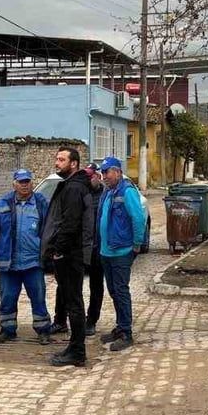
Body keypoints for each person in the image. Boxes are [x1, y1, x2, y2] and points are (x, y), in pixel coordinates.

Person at [40, 147, 95, 367]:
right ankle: (74, 347)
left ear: (74, 163)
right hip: (72, 252)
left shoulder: (74, 188)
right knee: (74, 302)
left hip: (71, 254)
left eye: (62, 160)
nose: (57, 163)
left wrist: (58, 250)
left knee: (74, 303)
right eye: (56, 159)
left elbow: (70, 223)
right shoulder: (74, 185)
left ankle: (77, 352)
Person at [0, 169, 53, 345]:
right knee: (7, 297)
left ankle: (43, 330)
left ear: (31, 183)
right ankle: (7, 330)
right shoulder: (2, 203)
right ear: (14, 184)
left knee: (38, 296)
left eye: (27, 181)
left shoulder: (41, 203)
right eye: (21, 182)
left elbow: (49, 229)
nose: (24, 185)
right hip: (9, 262)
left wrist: (49, 253)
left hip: (33, 262)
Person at [96, 156, 147, 352]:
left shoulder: (127, 191)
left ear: (117, 172)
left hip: (121, 250)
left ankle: (126, 332)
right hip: (106, 251)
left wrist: (136, 244)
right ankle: (120, 326)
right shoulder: (108, 192)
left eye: (107, 172)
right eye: (103, 172)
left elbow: (138, 218)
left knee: (121, 290)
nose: (104, 176)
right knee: (113, 291)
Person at [51, 163, 105, 337]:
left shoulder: (105, 196)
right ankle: (60, 319)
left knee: (96, 286)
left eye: (92, 176)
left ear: (99, 176)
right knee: (66, 286)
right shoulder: (78, 191)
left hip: (97, 249)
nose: (90, 179)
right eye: (87, 176)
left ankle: (91, 321)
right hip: (76, 249)